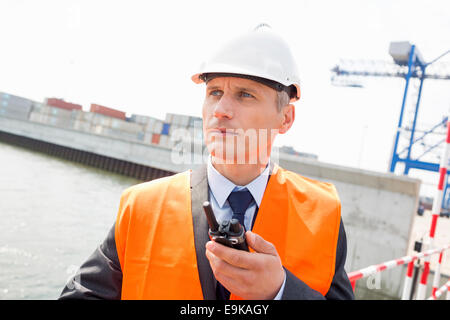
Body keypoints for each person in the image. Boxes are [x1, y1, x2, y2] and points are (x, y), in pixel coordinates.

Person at [59, 24, 354, 300]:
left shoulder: (322, 215)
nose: (221, 109)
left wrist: (280, 291)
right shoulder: (141, 207)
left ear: (285, 118)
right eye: (214, 92)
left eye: (245, 95)